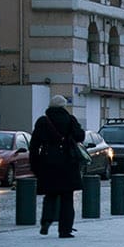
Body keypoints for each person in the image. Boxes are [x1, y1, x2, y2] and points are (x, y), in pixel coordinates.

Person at [30, 95, 85, 238]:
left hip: (48, 162)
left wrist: (35, 165)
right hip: (67, 162)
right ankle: (65, 230)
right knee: (67, 198)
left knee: (50, 195)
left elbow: (34, 145)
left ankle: (46, 221)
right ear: (63, 106)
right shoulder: (70, 119)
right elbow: (80, 136)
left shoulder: (43, 121)